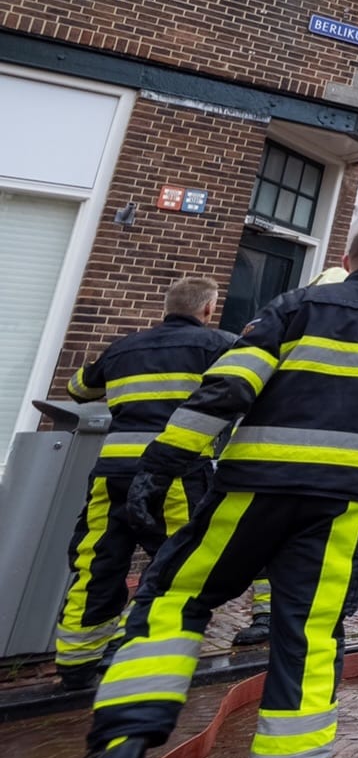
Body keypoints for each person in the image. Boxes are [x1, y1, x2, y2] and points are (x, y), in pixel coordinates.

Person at [47, 223, 358, 758]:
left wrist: (164, 462)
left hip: (252, 489)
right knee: (312, 638)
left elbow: (230, 387)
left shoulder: (294, 306)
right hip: (339, 507)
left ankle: (123, 742)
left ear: (345, 260)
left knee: (174, 597)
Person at [51, 277, 238, 688]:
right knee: (176, 561)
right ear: (208, 310)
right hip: (175, 471)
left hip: (112, 473)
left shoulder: (123, 347)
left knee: (97, 558)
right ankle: (140, 648)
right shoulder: (220, 347)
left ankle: (76, 660)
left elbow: (78, 389)